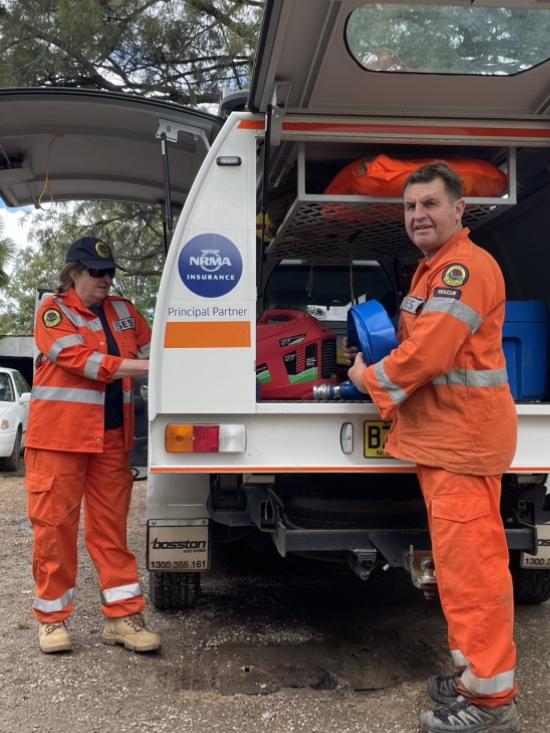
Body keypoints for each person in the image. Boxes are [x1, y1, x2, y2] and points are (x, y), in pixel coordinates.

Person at [347, 162, 520, 733]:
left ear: (458, 210)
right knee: (458, 568)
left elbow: (426, 356)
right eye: (409, 207)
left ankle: (492, 702)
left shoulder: (461, 270)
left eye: (429, 204)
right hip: (449, 442)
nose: (418, 214)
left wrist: (366, 379)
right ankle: (474, 675)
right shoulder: (433, 270)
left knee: (474, 575)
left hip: (462, 444)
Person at [25, 236, 161, 655]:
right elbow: (82, 361)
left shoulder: (124, 311)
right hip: (59, 442)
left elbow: (157, 345)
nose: (105, 279)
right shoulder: (53, 311)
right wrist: (144, 367)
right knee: (55, 531)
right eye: (95, 272)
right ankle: (52, 622)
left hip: (112, 442)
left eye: (109, 272)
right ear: (73, 274)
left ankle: (122, 617)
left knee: (110, 533)